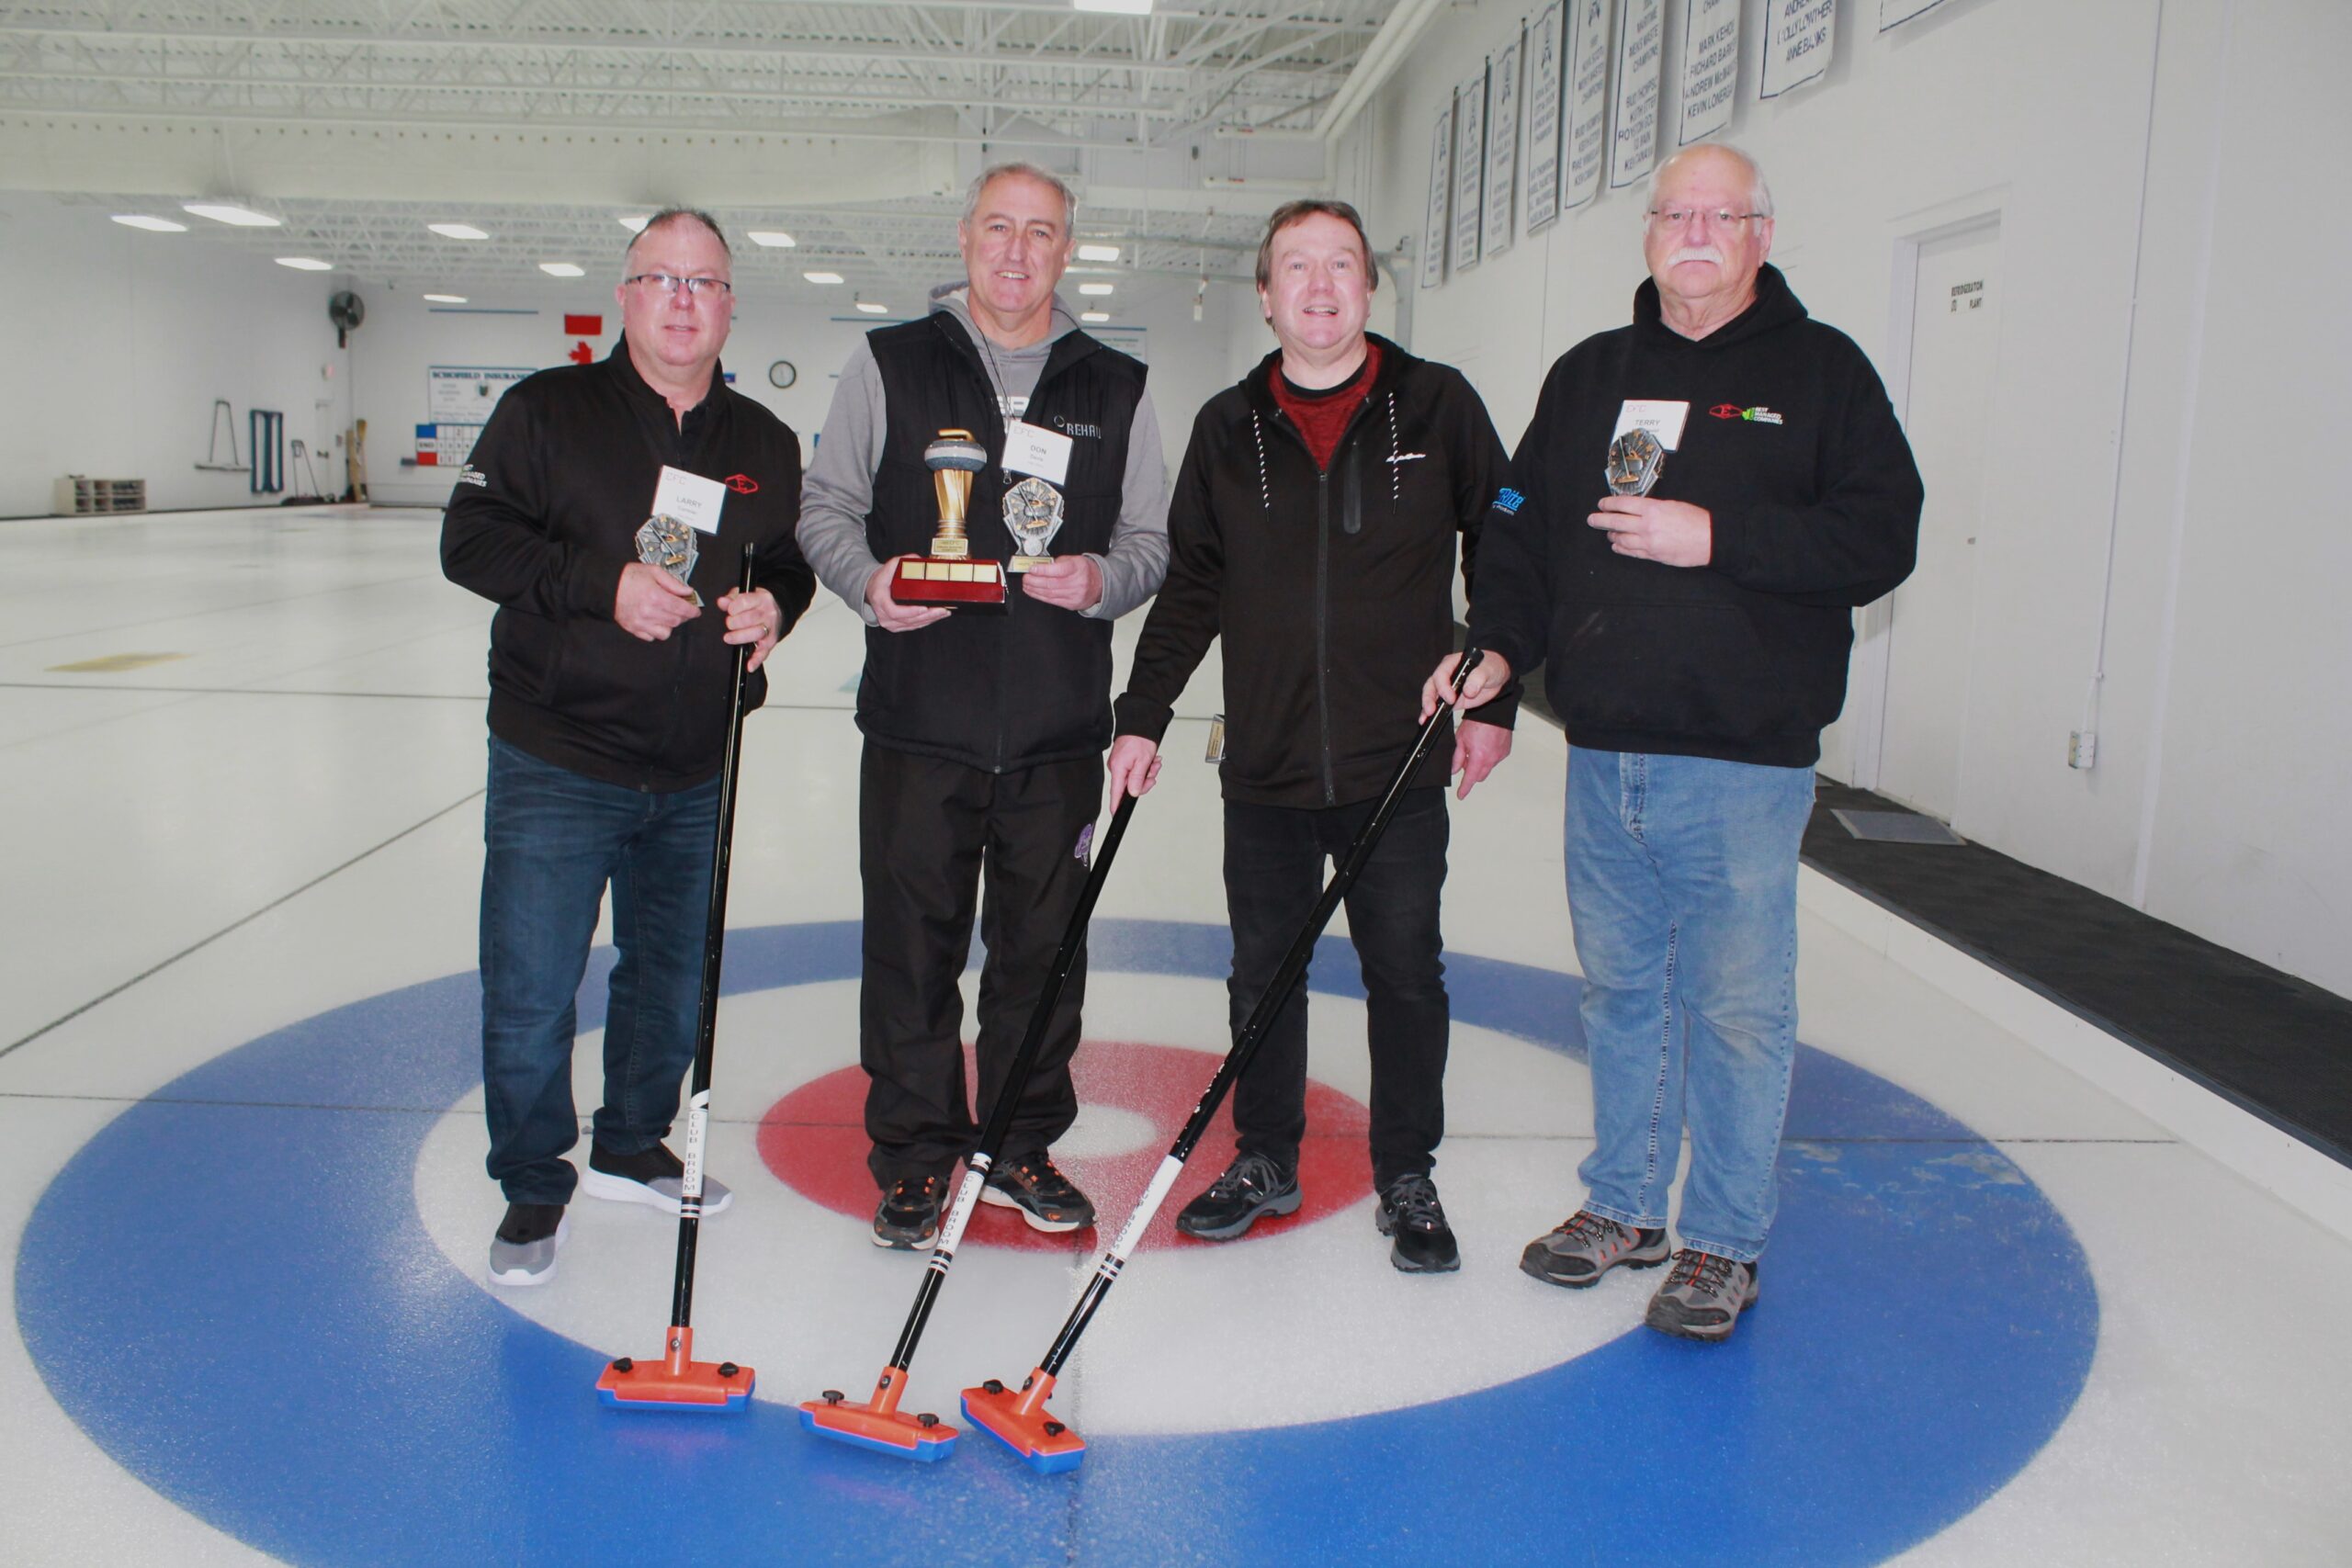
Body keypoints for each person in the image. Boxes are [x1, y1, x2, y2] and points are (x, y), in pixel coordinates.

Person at [1428, 143, 1922, 1337]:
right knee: (1619, 994)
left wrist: (1725, 536)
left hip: (1742, 764)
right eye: (1674, 213)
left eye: (1721, 213)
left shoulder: (1823, 373)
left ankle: (1721, 1240)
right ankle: (1626, 1205)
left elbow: (1883, 532)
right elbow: (1517, 525)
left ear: (1761, 233)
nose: (1695, 231)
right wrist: (1494, 650)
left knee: (1739, 1008)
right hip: (1604, 756)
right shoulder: (1592, 372)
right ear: (1649, 233)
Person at [1108, 199, 1515, 1273]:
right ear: (1266, 294)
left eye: (1341, 264)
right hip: (1270, 762)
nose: (1321, 285)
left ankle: (1406, 1172)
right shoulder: (1227, 425)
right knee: (1263, 975)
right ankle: (1266, 1157)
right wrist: (1141, 714)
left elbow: (1507, 544)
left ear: (1369, 287)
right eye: (1298, 266)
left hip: (1399, 760)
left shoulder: (1437, 405)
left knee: (1405, 972)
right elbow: (1192, 587)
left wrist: (1500, 692)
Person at [797, 162, 1170, 1249]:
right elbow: (827, 508)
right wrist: (872, 586)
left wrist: (1100, 581)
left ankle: (1016, 1145)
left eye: (1040, 233)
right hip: (919, 724)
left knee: (1040, 957)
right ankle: (913, 1157)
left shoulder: (1119, 385)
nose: (1017, 251)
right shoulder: (887, 365)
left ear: (1067, 250)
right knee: (909, 953)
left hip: (1056, 735)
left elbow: (1151, 547)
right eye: (998, 229)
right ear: (963, 241)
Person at [442, 208, 814, 1286]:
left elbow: (780, 562)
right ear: (627, 295)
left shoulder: (763, 443)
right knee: (531, 983)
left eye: (705, 282)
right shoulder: (546, 411)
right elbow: (470, 540)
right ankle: (531, 1184)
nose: (684, 300)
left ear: (731, 304)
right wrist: (601, 588)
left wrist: (772, 610)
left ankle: (630, 1140)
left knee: (672, 977)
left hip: (698, 762)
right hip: (558, 755)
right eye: (662, 279)